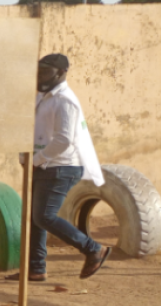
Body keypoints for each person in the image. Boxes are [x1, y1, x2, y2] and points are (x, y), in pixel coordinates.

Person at [8, 53, 110, 282]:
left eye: (46, 72)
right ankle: (36, 268)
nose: (41, 77)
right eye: (39, 71)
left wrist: (37, 160)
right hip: (45, 165)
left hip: (61, 167)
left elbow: (64, 140)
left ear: (61, 73)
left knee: (44, 216)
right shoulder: (43, 96)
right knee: (35, 217)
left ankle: (93, 249)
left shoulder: (65, 100)